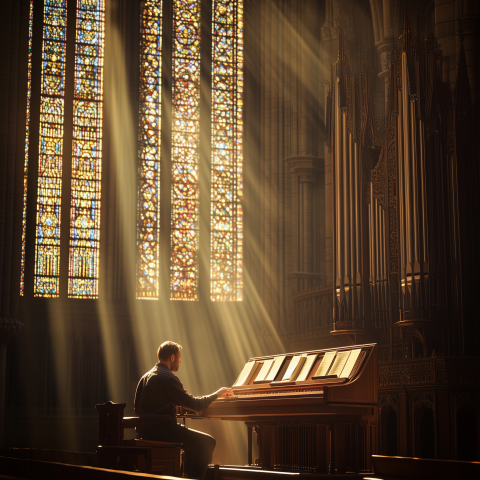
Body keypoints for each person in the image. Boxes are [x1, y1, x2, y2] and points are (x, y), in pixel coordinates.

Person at [134, 341, 233, 479]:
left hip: (144, 431)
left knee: (192, 445)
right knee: (208, 442)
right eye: (179, 358)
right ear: (172, 357)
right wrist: (218, 393)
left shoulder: (145, 377)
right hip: (162, 430)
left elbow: (140, 407)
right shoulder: (168, 378)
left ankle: (185, 476)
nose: (180, 362)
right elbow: (195, 404)